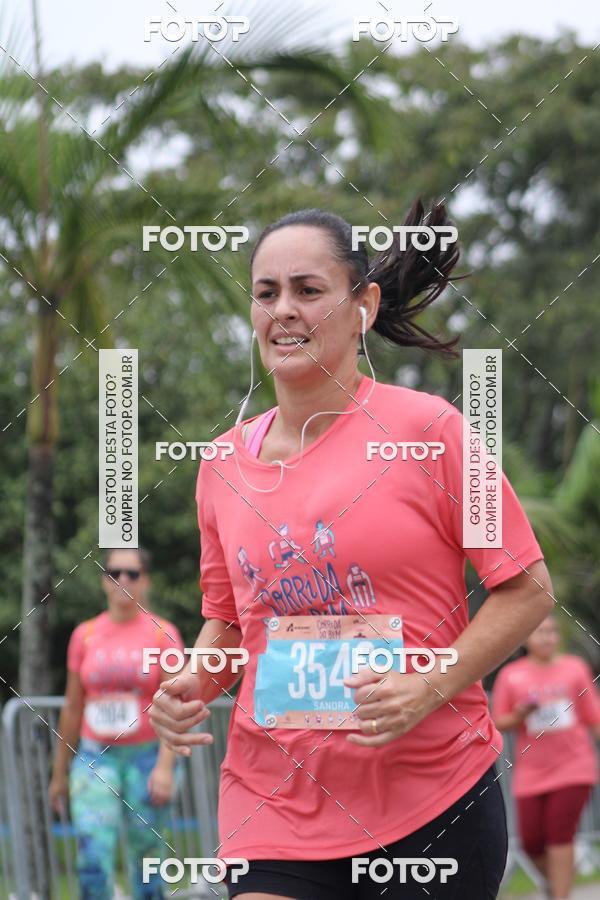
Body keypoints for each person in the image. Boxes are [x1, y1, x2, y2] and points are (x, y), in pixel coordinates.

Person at [149, 200, 555, 899]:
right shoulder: (218, 465)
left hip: (430, 800)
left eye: (308, 291)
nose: (284, 311)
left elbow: (527, 590)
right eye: (267, 293)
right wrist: (193, 681)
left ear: (362, 304)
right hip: (272, 799)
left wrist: (426, 688)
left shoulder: (433, 429)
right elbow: (230, 624)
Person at [49, 547, 184, 900]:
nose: (122, 580)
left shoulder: (162, 634)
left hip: (147, 758)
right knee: (92, 857)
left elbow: (176, 705)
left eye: (132, 574)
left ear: (145, 581)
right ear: (103, 580)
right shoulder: (85, 635)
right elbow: (74, 707)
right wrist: (60, 773)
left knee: (148, 863)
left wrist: (166, 768)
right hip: (95, 758)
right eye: (114, 573)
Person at [492, 614, 600, 900]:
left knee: (560, 833)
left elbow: (593, 717)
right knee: (532, 841)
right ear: (526, 637)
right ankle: (557, 886)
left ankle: (561, 895)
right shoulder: (511, 675)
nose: (547, 637)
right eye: (540, 631)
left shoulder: (574, 668)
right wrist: (520, 715)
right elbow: (498, 721)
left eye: (552, 631)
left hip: (574, 766)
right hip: (531, 772)